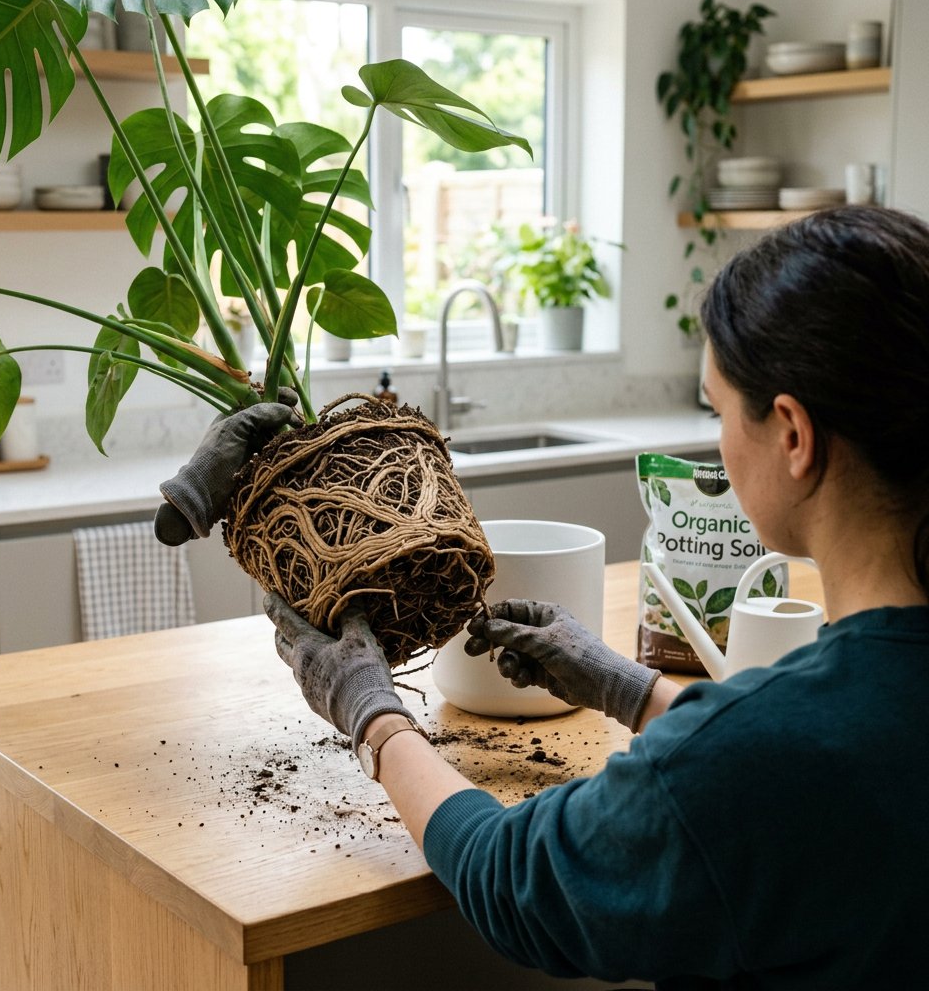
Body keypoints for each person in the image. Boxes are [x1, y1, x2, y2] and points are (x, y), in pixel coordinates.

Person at [157, 205, 929, 989]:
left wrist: (373, 717)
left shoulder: (760, 759)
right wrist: (626, 687)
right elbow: (786, 750)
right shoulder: (833, 722)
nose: (718, 440)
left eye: (718, 409)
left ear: (794, 436)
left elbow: (514, 880)